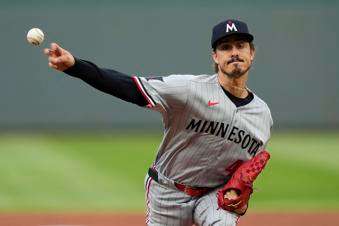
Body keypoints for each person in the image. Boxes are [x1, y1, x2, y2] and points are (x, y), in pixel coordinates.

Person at [44, 19, 273, 226]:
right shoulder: (190, 90)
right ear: (215, 56)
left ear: (251, 52)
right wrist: (75, 66)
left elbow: (246, 170)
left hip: (212, 196)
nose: (234, 52)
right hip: (168, 192)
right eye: (225, 47)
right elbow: (129, 87)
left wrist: (239, 196)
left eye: (240, 45)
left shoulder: (262, 115)